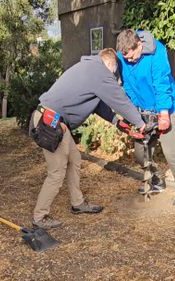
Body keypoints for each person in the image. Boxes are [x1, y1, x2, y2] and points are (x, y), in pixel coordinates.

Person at [29, 48, 146, 230]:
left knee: (74, 160)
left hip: (59, 123)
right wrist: (140, 123)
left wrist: (122, 125)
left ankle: (78, 203)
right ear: (110, 64)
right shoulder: (98, 70)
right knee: (57, 172)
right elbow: (119, 99)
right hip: (49, 122)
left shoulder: (90, 70)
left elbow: (101, 107)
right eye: (115, 71)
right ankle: (40, 216)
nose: (116, 76)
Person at [116, 29, 175, 205]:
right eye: (125, 58)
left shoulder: (157, 52)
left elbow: (161, 83)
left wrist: (163, 114)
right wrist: (134, 113)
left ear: (139, 45)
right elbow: (127, 86)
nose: (128, 60)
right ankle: (157, 180)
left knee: (169, 151)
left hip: (167, 107)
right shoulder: (123, 55)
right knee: (141, 153)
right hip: (144, 109)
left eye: (131, 56)